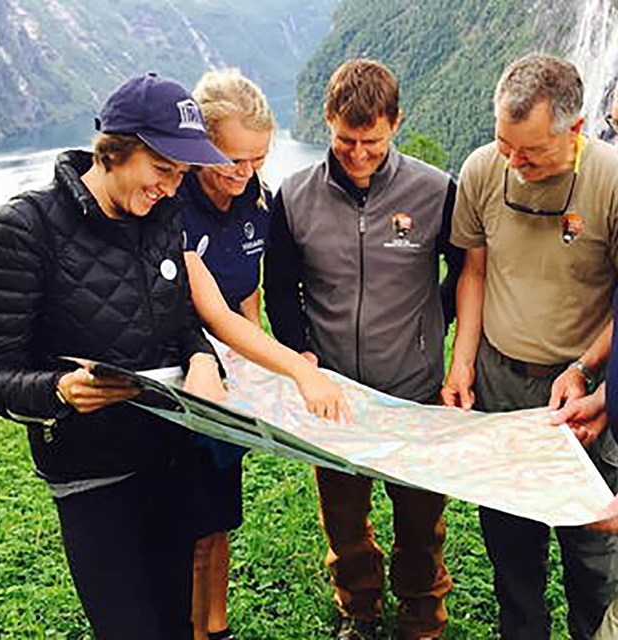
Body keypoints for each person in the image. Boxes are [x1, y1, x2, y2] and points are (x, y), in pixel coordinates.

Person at [0, 73, 349, 640]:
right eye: (163, 171)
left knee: (176, 622)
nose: (173, 189)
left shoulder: (161, 219)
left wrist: (201, 360)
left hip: (166, 457)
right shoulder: (23, 229)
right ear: (116, 150)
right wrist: (59, 392)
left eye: (180, 175)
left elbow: (185, 324)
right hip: (92, 471)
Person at [264, 58, 463, 640]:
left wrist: (435, 322)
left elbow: (465, 268)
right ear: (328, 119)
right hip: (336, 396)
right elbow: (280, 283)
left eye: (371, 140)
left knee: (421, 521)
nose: (357, 153)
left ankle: (422, 618)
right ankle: (360, 611)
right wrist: (300, 354)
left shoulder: (433, 190)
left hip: (415, 389)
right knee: (345, 522)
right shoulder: (293, 196)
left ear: (396, 123)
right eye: (346, 139)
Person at [441, 53, 618, 640]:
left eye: (531, 152)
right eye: (504, 144)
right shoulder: (483, 170)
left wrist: (585, 366)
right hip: (500, 383)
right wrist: (463, 362)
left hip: (582, 395)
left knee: (591, 550)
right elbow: (474, 272)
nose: (513, 163)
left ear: (575, 129)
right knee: (511, 542)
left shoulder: (610, 181)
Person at [178, 68, 274, 640]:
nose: (244, 173)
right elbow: (204, 308)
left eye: (257, 159)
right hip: (177, 374)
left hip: (227, 377)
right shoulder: (172, 199)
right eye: (232, 159)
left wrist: (255, 363)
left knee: (220, 514)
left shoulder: (257, 201)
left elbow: (246, 292)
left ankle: (215, 626)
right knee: (184, 520)